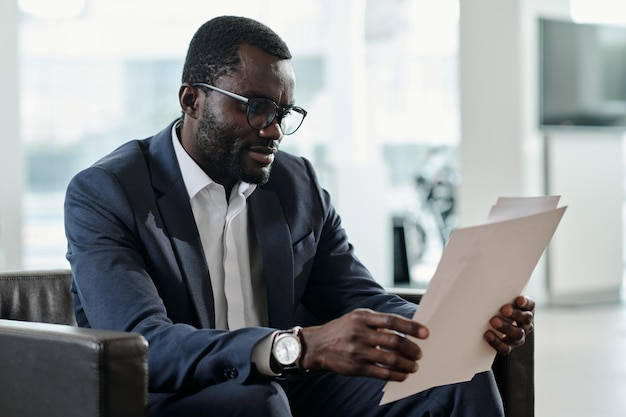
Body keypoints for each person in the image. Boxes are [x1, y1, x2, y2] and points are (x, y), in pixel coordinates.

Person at [64, 15, 534, 417]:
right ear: (192, 100)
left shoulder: (295, 183)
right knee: (261, 402)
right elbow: (145, 345)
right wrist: (298, 346)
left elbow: (359, 296)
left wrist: (456, 323)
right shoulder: (108, 192)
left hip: (291, 385)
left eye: (284, 113)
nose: (274, 131)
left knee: (455, 376)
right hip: (174, 395)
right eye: (256, 108)